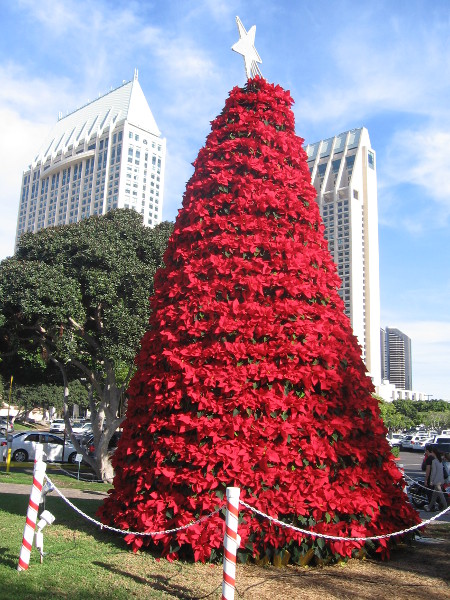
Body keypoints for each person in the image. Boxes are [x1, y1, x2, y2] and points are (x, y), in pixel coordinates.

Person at [424, 447, 448, 512]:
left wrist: (431, 481)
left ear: (433, 452)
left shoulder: (434, 461)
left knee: (441, 495)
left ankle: (446, 508)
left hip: (437, 481)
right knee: (434, 495)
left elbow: (433, 472)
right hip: (441, 480)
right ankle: (429, 507)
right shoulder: (440, 460)